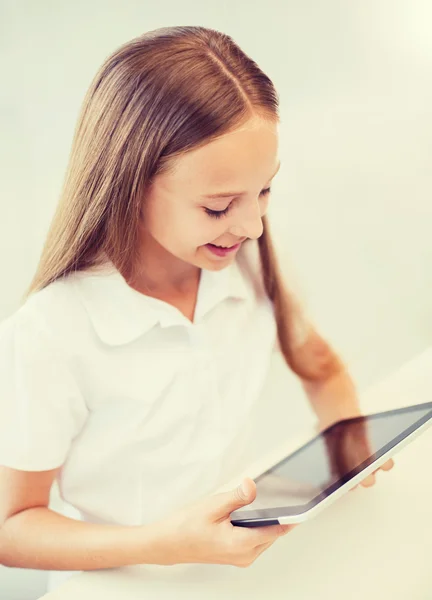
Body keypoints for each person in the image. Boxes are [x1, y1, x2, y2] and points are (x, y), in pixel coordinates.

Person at [0, 26, 394, 592]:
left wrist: (347, 439)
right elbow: (12, 528)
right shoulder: (50, 334)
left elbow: (321, 367)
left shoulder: (245, 265)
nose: (253, 226)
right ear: (129, 185)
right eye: (217, 207)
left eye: (264, 191)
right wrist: (162, 544)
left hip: (234, 571)